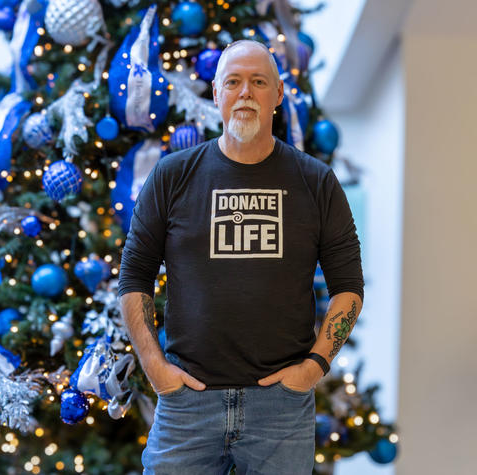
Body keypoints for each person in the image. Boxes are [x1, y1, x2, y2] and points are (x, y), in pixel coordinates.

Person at [118, 39, 364, 475]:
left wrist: (314, 366)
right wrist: (154, 367)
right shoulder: (173, 175)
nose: (245, 92)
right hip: (187, 403)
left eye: (258, 81)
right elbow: (134, 275)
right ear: (216, 94)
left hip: (281, 409)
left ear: (278, 94)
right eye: (233, 81)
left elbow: (348, 286)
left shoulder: (316, 182)